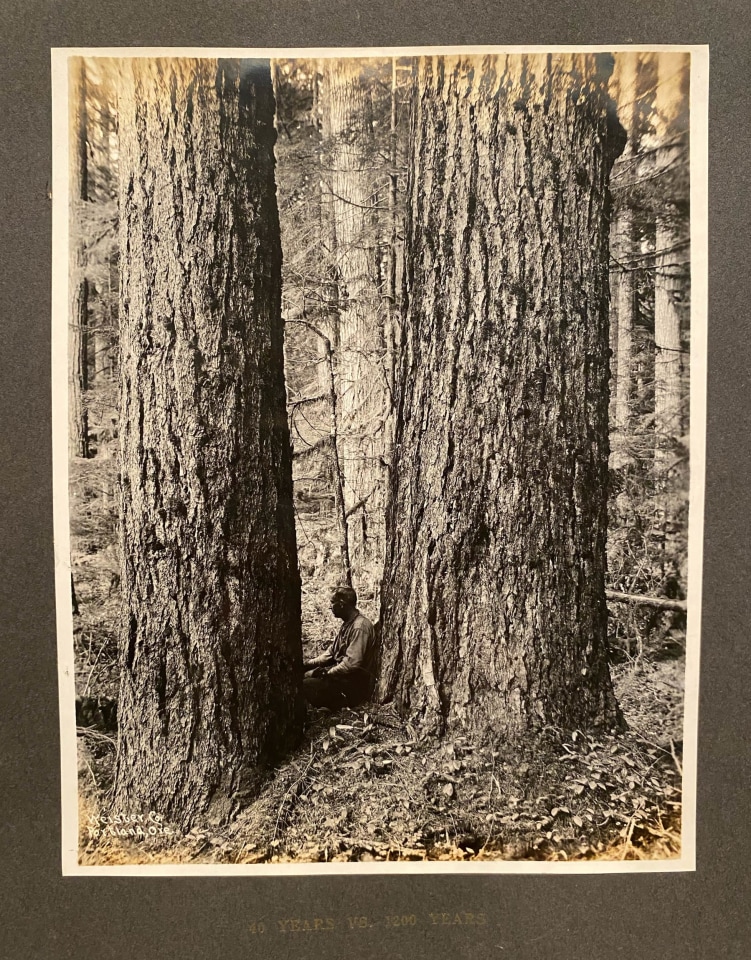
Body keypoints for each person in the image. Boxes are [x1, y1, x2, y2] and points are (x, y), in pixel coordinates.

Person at [303, 585, 377, 710]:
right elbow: (331, 653)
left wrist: (325, 674)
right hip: (343, 680)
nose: (330, 607)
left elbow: (351, 664)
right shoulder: (348, 624)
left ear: (342, 604)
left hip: (354, 686)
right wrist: (307, 664)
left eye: (332, 603)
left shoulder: (360, 627)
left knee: (305, 685)